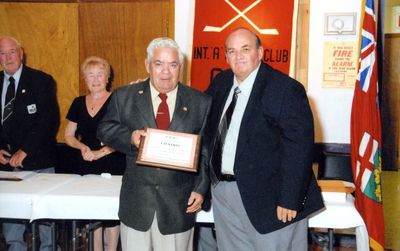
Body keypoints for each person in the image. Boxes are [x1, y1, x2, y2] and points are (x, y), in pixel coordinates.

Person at [205, 27, 324, 250]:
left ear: (260, 53)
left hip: (271, 198)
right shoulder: (221, 83)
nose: (238, 56)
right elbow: (197, 117)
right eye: (231, 51)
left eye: (245, 49)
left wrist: (290, 198)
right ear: (226, 56)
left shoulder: (285, 89)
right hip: (223, 191)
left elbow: (299, 147)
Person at [97, 37, 212, 251]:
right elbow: (104, 129)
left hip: (178, 207)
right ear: (147, 65)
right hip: (137, 205)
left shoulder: (200, 102)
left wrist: (201, 188)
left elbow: (205, 150)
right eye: (159, 64)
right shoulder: (124, 96)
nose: (166, 72)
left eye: (173, 64)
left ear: (181, 66)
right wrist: (130, 137)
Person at [0, 36, 60, 250]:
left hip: (39, 161)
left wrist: (25, 150)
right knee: (12, 229)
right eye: (2, 53)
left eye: (12, 52)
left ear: (21, 52)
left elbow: (48, 121)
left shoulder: (41, 80)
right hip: (6, 168)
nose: (8, 58)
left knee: (46, 226)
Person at [64, 56, 125, 251]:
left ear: (108, 78)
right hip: (86, 163)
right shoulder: (78, 102)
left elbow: (125, 137)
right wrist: (81, 146)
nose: (96, 79)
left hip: (113, 163)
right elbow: (68, 135)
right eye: (91, 75)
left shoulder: (118, 100)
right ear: (85, 78)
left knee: (111, 219)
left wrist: (101, 152)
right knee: (93, 218)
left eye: (100, 74)